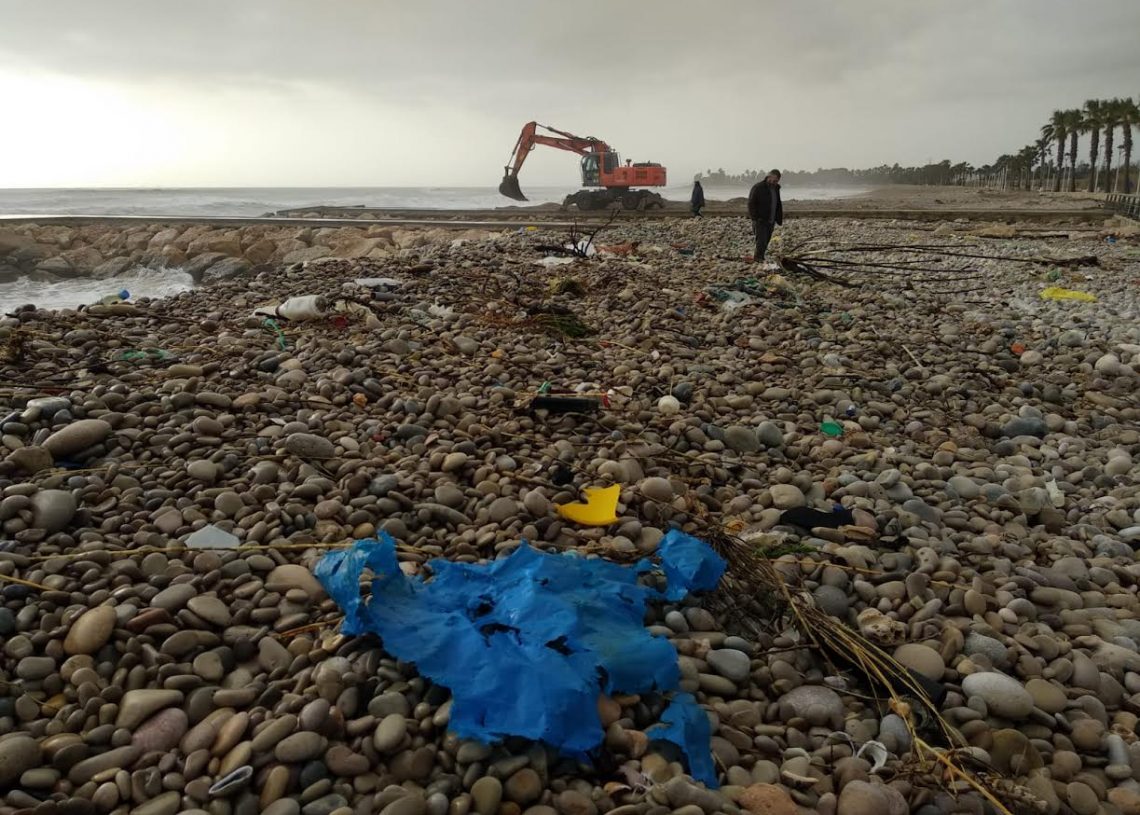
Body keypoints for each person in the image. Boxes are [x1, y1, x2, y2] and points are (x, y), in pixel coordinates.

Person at [747, 169, 783, 262]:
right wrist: (755, 217)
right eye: (773, 180)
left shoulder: (776, 188)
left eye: (776, 181)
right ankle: (758, 257)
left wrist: (778, 218)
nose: (774, 182)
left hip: (771, 219)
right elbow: (751, 203)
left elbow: (777, 203)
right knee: (761, 240)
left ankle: (761, 256)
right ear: (769, 177)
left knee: (767, 239)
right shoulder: (758, 187)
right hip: (760, 219)